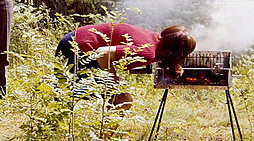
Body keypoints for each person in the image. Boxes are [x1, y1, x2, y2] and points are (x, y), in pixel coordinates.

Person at [55, 23, 196, 108]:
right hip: (77, 49)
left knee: (65, 92)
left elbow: (125, 58)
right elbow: (103, 53)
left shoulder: (154, 39)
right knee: (123, 100)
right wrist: (113, 79)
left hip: (73, 38)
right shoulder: (148, 51)